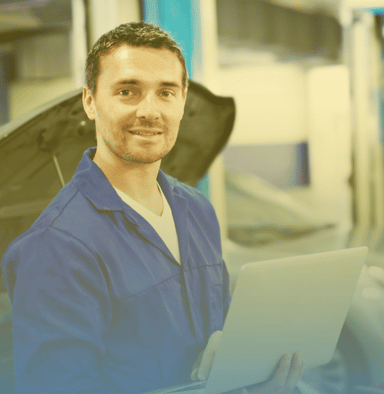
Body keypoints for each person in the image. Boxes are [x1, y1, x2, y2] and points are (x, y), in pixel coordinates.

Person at [1, 22, 305, 394]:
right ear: (90, 101)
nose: (150, 111)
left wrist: (249, 372)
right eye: (128, 91)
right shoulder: (57, 246)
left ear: (182, 101)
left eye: (166, 92)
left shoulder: (197, 210)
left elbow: (219, 330)